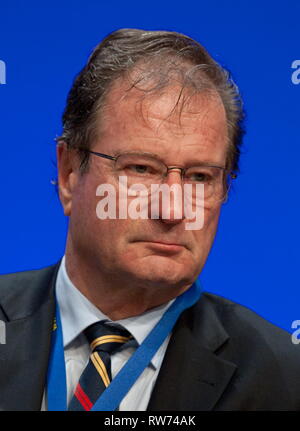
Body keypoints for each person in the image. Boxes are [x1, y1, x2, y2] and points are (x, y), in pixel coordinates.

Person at [0, 28, 299, 412]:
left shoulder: (284, 381)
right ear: (70, 173)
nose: (173, 210)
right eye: (141, 168)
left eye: (199, 177)